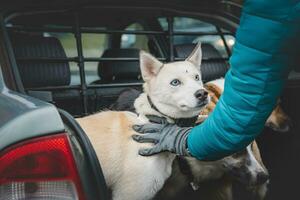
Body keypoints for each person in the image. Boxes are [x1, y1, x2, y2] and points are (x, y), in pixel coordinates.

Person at [132, 0, 300, 160]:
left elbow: (244, 110)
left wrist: (184, 140)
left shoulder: (271, 13)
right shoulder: (275, 12)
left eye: (196, 77)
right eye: (176, 82)